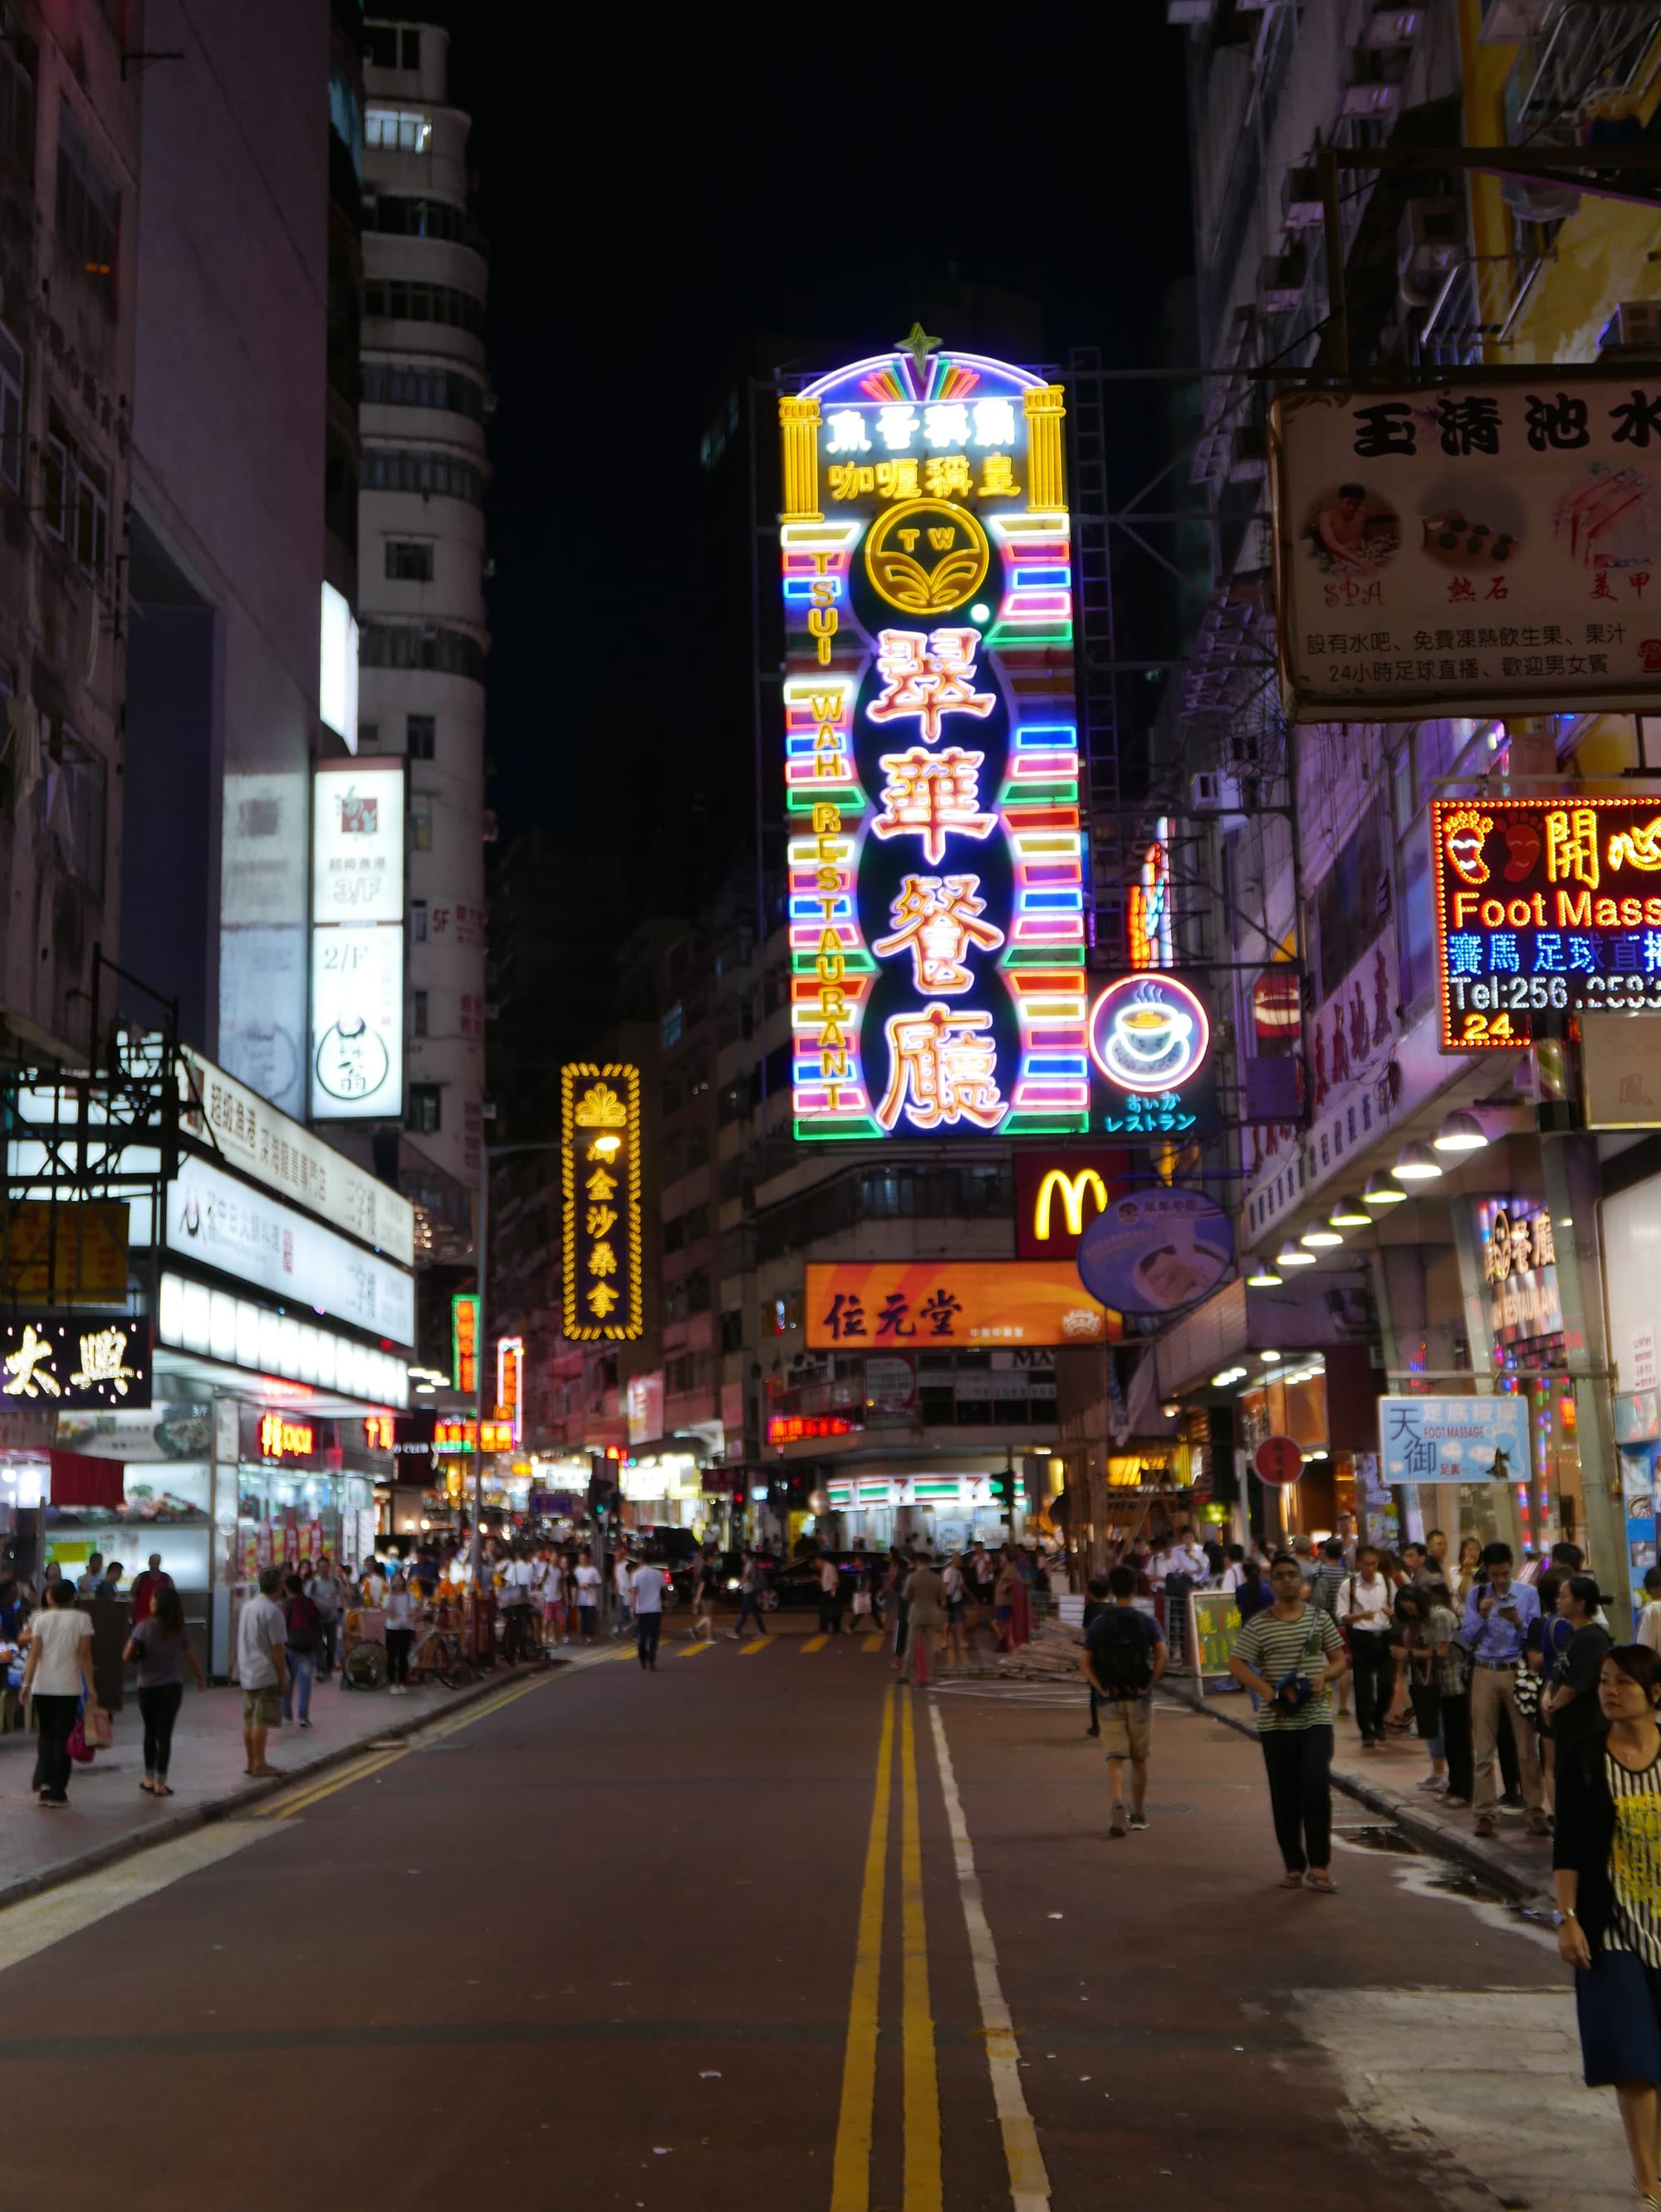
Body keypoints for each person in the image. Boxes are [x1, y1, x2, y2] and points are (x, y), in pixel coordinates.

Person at [1554, 1644, 1661, 2207]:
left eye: (1623, 1682)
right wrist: (1568, 1917)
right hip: (1611, 1927)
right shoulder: (1583, 1757)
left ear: (1656, 1695)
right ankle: (1648, 2181)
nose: (1610, 1691)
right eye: (1603, 1681)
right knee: (1633, 2061)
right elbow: (1567, 1843)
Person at [1227, 1552, 1348, 1892]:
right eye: (1279, 1575)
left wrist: (1324, 1676)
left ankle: (1320, 1866)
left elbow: (1340, 1660)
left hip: (1315, 1718)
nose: (1286, 1580)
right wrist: (1266, 1692)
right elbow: (1236, 1663)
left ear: (1301, 1579)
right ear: (1272, 1584)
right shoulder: (1260, 1624)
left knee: (1315, 1787)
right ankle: (1294, 1865)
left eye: (1292, 1574)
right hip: (1276, 1722)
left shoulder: (1318, 1619)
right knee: (1284, 1795)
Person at [1463, 1541, 1549, 1838]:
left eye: (1505, 1573)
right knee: (1484, 1746)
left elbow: (1534, 1636)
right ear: (1486, 1572)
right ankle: (1484, 1812)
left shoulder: (1528, 1594)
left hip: (1516, 1670)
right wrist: (1482, 1615)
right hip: (1485, 1671)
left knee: (1526, 1745)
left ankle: (1535, 1809)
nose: (1500, 1580)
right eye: (1495, 1574)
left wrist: (1518, 1621)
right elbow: (1466, 1638)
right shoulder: (1475, 1596)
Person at [1082, 1563, 1169, 1836]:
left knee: (1115, 1757)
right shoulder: (1147, 1621)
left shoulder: (1099, 1624)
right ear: (1134, 1589)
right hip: (1140, 1695)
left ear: (1111, 1589)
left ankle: (1118, 1804)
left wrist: (1099, 1687)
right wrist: (1150, 1683)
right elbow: (1162, 1656)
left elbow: (1085, 1662)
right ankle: (1139, 1813)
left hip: (1110, 1697)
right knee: (1140, 1759)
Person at [20, 1581, 96, 1807]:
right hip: (68, 1688)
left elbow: (34, 1654)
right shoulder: (82, 1620)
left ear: (51, 1598)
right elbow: (84, 1656)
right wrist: (91, 1688)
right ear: (73, 1598)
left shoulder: (40, 1619)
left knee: (46, 1735)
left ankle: (44, 1784)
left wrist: (26, 1684)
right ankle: (57, 1791)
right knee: (63, 1736)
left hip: (42, 1687)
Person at [125, 1584, 204, 1795]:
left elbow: (126, 1655)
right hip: (172, 1686)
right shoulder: (179, 1628)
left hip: (147, 1687)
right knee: (165, 1734)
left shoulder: (143, 1628)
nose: (150, 1603)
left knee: (150, 1732)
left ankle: (148, 1778)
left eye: (152, 1601)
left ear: (160, 1605)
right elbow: (191, 1655)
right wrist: (199, 1678)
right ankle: (161, 1782)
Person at [1542, 1574, 1614, 1768]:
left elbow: (1578, 1683)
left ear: (1580, 1603)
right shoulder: (1572, 1634)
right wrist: (1547, 1696)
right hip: (1566, 1723)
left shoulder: (1593, 1638)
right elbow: (1558, 1668)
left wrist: (1553, 1706)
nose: (1558, 1601)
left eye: (1563, 1596)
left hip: (1585, 1724)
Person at [1391, 1584, 1453, 1794]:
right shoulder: (1417, 1622)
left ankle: (1450, 1774)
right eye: (1406, 1611)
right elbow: (1409, 1641)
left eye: (1411, 1609)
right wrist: (1410, 1624)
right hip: (1426, 1681)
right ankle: (1437, 1771)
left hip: (1447, 1679)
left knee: (1446, 1727)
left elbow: (1442, 1651)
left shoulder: (1439, 1616)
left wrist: (1409, 1653)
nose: (1410, 1613)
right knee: (1431, 1725)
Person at [1337, 1544, 1396, 1749]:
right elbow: (1342, 1614)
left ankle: (1378, 1716)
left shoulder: (1387, 1583)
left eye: (1374, 1564)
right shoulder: (1349, 1585)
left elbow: (1397, 1610)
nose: (1371, 1568)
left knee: (1387, 1683)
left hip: (1384, 1635)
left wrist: (1392, 1614)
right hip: (1361, 1637)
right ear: (1358, 1564)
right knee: (1363, 1687)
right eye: (1367, 1564)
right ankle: (1367, 1732)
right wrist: (1359, 1616)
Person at [237, 1565, 289, 1779]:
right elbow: (277, 1648)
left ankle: (251, 1762)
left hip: (248, 1670)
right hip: (265, 1672)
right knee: (261, 1720)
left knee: (249, 1719)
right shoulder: (273, 1611)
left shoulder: (248, 1607)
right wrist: (283, 1677)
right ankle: (260, 1764)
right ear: (278, 1587)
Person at [281, 1571, 321, 1726]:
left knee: (287, 1682)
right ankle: (303, 1716)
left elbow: (282, 1627)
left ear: (287, 1588)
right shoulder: (309, 1603)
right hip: (308, 1649)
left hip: (289, 1648)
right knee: (305, 1683)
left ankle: (286, 1715)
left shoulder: (286, 1605)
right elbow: (317, 1623)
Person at [903, 1552, 943, 1685]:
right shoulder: (937, 1579)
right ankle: (928, 1675)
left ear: (918, 1563)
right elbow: (942, 1599)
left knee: (912, 1646)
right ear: (929, 1563)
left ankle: (906, 1675)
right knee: (929, 1647)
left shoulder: (912, 1578)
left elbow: (907, 1597)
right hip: (932, 1614)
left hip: (916, 1615)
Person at [307, 1555, 343, 1675]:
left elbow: (342, 1596)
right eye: (321, 1567)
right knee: (319, 1644)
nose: (324, 1569)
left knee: (332, 1644)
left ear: (329, 1568)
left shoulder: (335, 1582)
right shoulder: (313, 1584)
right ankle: (320, 1669)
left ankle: (329, 1666)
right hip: (317, 1619)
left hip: (332, 1618)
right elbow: (307, 1600)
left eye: (326, 1567)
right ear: (317, 1568)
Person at [384, 1570, 419, 1693]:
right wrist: (391, 1596)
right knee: (392, 1657)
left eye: (400, 1580)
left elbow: (416, 1609)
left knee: (404, 1658)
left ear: (403, 1582)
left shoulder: (409, 1596)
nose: (398, 1583)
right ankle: (393, 1683)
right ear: (392, 1582)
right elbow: (389, 1613)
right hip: (392, 1629)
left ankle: (403, 1683)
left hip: (406, 1629)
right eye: (395, 1580)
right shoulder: (388, 1596)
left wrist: (412, 1613)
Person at [631, 1557, 664, 1670]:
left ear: (641, 1562)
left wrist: (632, 1609)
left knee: (642, 1635)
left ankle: (643, 1658)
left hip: (642, 1610)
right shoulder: (658, 1574)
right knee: (654, 1636)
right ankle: (651, 1660)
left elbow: (634, 1593)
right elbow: (663, 1589)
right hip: (655, 1608)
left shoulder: (637, 1575)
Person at [728, 1552, 767, 1641]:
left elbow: (746, 1577)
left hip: (749, 1591)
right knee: (744, 1613)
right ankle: (737, 1632)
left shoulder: (749, 1564)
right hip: (747, 1591)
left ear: (747, 1556)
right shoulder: (747, 1564)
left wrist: (737, 1587)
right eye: (741, 1555)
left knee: (753, 1612)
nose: (742, 1557)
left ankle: (762, 1631)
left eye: (743, 1555)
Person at [128, 1552, 171, 1626]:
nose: (154, 1566)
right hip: (141, 1617)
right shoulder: (141, 1578)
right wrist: (131, 1601)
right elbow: (131, 1595)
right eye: (152, 1563)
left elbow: (172, 1597)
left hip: (160, 1617)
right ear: (149, 1563)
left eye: (156, 1563)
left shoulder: (166, 1579)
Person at [941, 1552, 967, 1673]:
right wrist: (945, 1599)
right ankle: (945, 1641)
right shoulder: (948, 1572)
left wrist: (971, 1598)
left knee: (960, 1621)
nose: (960, 1562)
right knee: (948, 1622)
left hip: (958, 1599)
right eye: (959, 1560)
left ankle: (961, 1640)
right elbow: (945, 1585)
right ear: (954, 1560)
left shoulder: (959, 1573)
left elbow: (962, 1586)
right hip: (951, 1600)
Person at [688, 1547, 718, 1644]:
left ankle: (696, 1629)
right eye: (714, 1557)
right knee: (708, 1616)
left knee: (708, 1616)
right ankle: (708, 1637)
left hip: (709, 1595)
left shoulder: (708, 1569)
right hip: (706, 1596)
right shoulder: (706, 1570)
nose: (715, 1559)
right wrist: (697, 1597)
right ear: (709, 1558)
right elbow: (702, 1584)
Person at [573, 1547, 601, 1643]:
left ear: (588, 1559)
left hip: (591, 1599)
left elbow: (599, 1582)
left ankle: (589, 1635)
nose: (582, 1560)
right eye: (580, 1558)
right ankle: (584, 1635)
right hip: (581, 1599)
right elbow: (574, 1583)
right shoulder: (577, 1570)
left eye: (584, 1558)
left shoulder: (593, 1570)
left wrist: (589, 1585)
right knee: (583, 1618)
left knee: (590, 1618)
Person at [817, 1552, 843, 1636]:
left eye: (817, 1562)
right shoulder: (824, 1568)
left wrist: (833, 1593)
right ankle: (823, 1628)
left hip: (831, 1592)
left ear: (821, 1560)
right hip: (826, 1592)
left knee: (834, 1611)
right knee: (824, 1611)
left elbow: (834, 1581)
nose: (816, 1564)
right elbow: (825, 1581)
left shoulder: (830, 1567)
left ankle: (836, 1629)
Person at [612, 1548, 635, 1641]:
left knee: (628, 1613)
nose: (615, 1558)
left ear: (621, 1556)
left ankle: (618, 1628)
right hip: (621, 1592)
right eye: (615, 1556)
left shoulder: (626, 1564)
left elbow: (631, 1576)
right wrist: (615, 1588)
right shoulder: (617, 1566)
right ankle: (628, 1629)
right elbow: (618, 1579)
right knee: (626, 1612)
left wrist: (631, 1587)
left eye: (617, 1556)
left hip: (628, 1593)